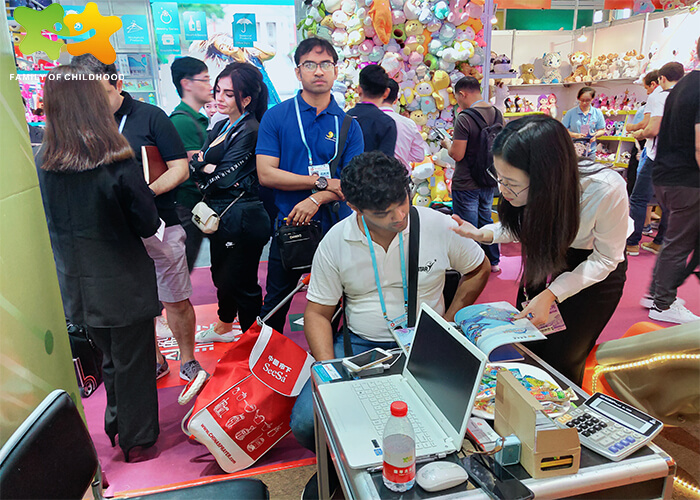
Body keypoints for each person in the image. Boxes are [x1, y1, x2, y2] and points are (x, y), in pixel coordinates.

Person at [290, 151, 490, 452]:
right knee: (306, 423)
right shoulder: (336, 241)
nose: (398, 217)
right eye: (383, 213)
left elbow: (478, 268)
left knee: (455, 420)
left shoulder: (438, 225)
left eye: (402, 202)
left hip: (425, 342)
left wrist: (448, 321)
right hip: (361, 346)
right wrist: (328, 368)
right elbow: (317, 313)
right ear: (355, 207)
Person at [36, 65, 161, 461]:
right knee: (134, 364)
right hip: (122, 280)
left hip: (76, 283)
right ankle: (137, 442)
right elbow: (146, 221)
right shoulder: (114, 161)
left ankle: (116, 425)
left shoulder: (44, 162)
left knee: (109, 358)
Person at [452, 115, 630, 385]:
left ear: (547, 176)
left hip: (594, 268)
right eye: (498, 177)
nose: (503, 189)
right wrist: (481, 233)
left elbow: (607, 258)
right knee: (523, 342)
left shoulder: (604, 189)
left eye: (510, 182)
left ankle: (558, 418)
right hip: (545, 256)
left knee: (563, 357)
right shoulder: (525, 187)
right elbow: (524, 226)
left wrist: (552, 294)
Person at [71, 55, 206, 383]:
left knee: (175, 297)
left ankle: (187, 359)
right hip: (113, 233)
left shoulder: (151, 117)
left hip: (160, 223)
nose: (94, 105)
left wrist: (144, 194)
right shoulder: (84, 126)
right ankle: (156, 358)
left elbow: (179, 168)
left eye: (100, 94)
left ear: (117, 83)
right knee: (135, 303)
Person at [256, 37, 364, 334]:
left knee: (340, 302)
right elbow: (266, 174)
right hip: (290, 226)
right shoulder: (276, 117)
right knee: (276, 303)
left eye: (325, 64)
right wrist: (321, 182)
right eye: (310, 64)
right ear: (298, 71)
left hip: (337, 230)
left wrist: (315, 199)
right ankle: (264, 367)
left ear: (335, 70)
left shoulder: (348, 125)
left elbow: (352, 185)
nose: (319, 71)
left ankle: (330, 367)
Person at [190, 63, 272, 342]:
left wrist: (203, 168)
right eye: (217, 91)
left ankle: (253, 343)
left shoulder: (250, 129)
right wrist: (203, 167)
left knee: (242, 281)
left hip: (243, 215)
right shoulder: (223, 124)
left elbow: (224, 178)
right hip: (222, 214)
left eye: (228, 93)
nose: (219, 98)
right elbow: (197, 163)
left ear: (246, 99)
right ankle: (226, 326)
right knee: (222, 276)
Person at [644, 54, 700, 324]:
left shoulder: (682, 86)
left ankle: (657, 293)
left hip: (667, 174)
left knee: (674, 241)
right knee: (679, 243)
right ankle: (663, 303)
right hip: (686, 179)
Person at [442, 76, 502, 272]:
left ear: (462, 94)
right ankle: (493, 262)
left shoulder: (465, 118)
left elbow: (457, 155)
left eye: (457, 97)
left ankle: (472, 267)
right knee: (486, 219)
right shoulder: (497, 114)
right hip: (488, 178)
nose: (457, 101)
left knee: (467, 225)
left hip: (466, 180)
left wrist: (447, 145)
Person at [627, 62, 684, 256]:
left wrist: (638, 133)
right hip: (680, 158)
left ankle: (632, 241)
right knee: (668, 202)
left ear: (661, 79)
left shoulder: (660, 97)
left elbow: (652, 128)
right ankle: (659, 242)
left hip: (657, 156)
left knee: (638, 198)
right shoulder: (688, 95)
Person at [169, 56, 211, 272]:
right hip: (189, 206)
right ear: (186, 83)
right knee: (179, 274)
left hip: (196, 205)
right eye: (204, 80)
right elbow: (198, 167)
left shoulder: (197, 119)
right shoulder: (182, 121)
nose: (210, 86)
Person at [346, 64, 397, 156]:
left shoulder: (345, 117)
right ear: (386, 93)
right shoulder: (386, 123)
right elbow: (386, 164)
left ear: (359, 89)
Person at [379, 79, 426, 169]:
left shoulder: (367, 119)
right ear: (396, 99)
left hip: (371, 177)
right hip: (400, 176)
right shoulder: (409, 123)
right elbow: (419, 156)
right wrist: (402, 154)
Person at [562, 86, 605, 159]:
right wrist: (575, 135)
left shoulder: (597, 112)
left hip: (590, 150)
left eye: (588, 100)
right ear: (578, 98)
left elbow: (602, 130)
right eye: (582, 100)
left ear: (592, 99)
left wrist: (594, 135)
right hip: (574, 150)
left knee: (590, 169)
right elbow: (562, 130)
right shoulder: (571, 113)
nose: (584, 103)